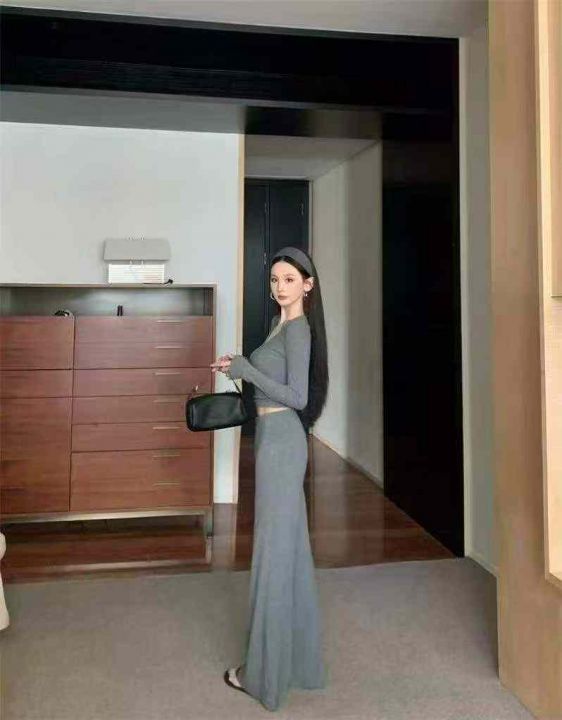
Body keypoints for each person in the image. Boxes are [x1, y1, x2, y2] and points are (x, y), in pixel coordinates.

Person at [210, 246, 329, 712]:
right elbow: (269, 382)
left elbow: (298, 397)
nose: (280, 287)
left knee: (272, 556)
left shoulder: (298, 330)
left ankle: (261, 675)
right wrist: (240, 366)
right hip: (273, 440)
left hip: (282, 444)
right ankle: (293, 664)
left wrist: (246, 370)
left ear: (308, 285)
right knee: (288, 552)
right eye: (275, 279)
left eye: (289, 279)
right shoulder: (282, 325)